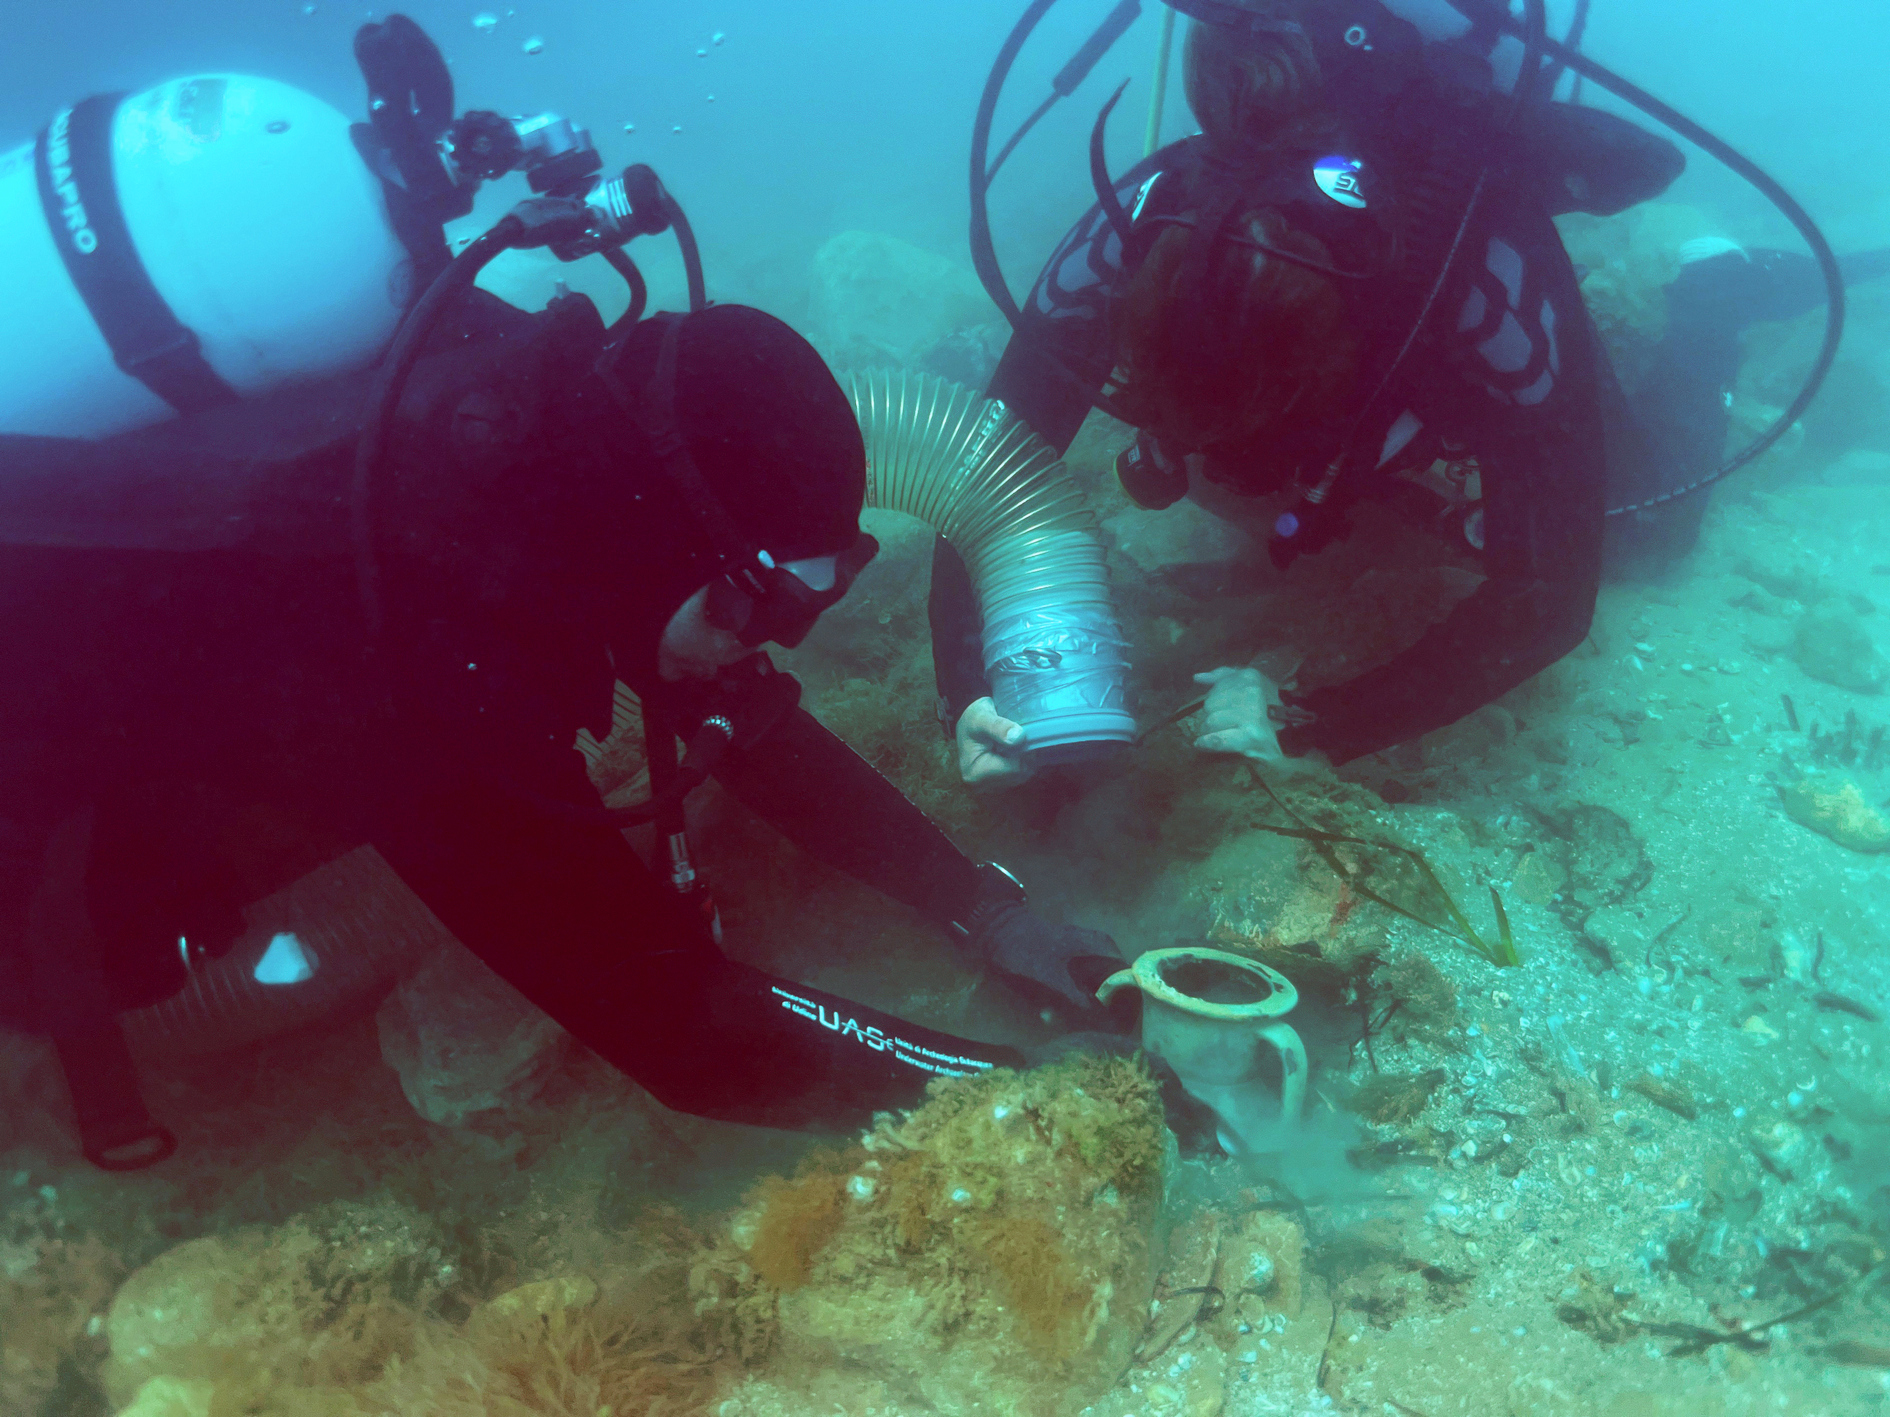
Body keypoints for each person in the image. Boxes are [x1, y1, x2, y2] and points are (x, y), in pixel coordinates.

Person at [0, 288, 1131, 1170]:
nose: (771, 638)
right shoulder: (401, 634)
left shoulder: (561, 450)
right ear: (656, 546)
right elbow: (680, 1029)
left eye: (807, 599)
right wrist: (1033, 1091)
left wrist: (983, 905)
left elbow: (739, 715)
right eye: (754, 598)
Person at [937, 0, 1885, 787]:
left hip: (1422, 381)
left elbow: (1553, 596)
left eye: (1257, 426)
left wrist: (1314, 727)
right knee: (1250, 489)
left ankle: (1713, 300)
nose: (1231, 462)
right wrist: (965, 687)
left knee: (1645, 539)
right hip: (1358, 408)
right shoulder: (1140, 221)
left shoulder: (1479, 272)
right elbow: (985, 465)